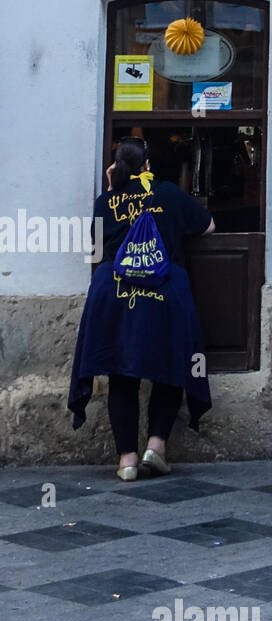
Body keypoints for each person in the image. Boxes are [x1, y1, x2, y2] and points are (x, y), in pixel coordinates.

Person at [68, 137, 214, 480]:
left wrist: (110, 188)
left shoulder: (107, 200)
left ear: (117, 166)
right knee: (170, 368)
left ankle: (127, 462)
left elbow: (98, 242)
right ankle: (156, 446)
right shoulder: (168, 193)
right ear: (148, 165)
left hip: (114, 294)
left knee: (122, 373)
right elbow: (208, 226)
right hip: (163, 292)